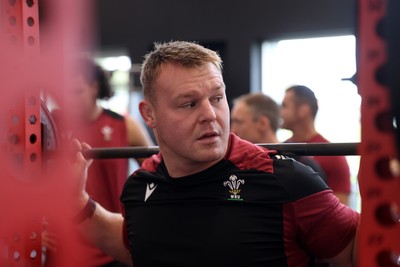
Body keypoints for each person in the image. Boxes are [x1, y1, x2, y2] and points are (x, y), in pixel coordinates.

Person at [72, 41, 359, 267]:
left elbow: (358, 254)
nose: (210, 115)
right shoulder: (140, 187)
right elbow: (134, 246)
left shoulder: (286, 181)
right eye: (189, 104)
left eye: (217, 98)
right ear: (150, 114)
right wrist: (75, 199)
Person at [55, 56, 154, 267]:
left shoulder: (124, 125)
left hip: (111, 243)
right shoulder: (53, 130)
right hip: (66, 250)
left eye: (77, 91)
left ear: (94, 87)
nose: (70, 100)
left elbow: (157, 174)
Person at [231, 92, 328, 183]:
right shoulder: (235, 165)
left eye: (238, 122)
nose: (232, 131)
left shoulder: (303, 165)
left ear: (262, 123)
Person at [280, 85, 352, 206]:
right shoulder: (280, 150)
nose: (280, 112)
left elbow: (342, 209)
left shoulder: (333, 155)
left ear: (303, 111)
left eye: (284, 106)